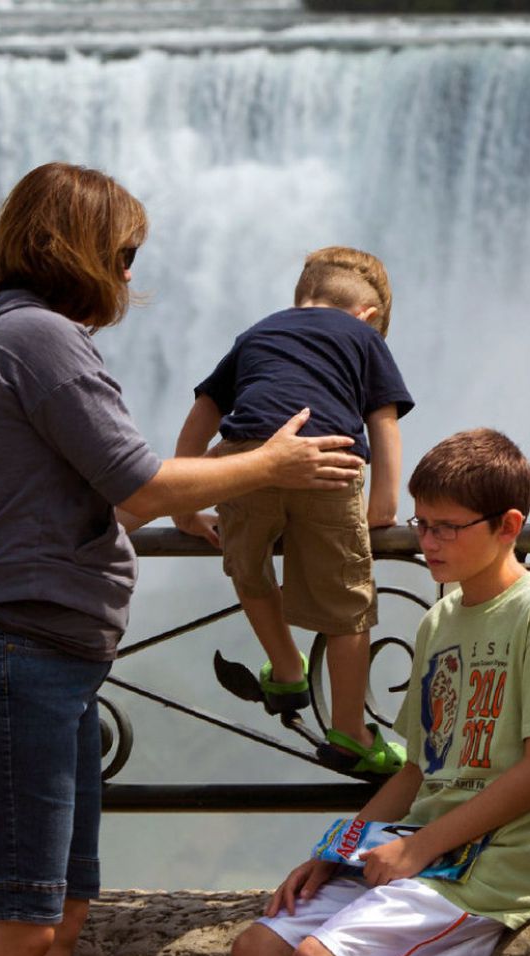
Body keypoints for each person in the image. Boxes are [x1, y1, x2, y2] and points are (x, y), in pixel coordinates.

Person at [0, 162, 363, 956]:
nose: (132, 275)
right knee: (16, 925)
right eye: (126, 253)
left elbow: (96, 495)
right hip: (14, 652)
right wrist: (271, 465)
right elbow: (138, 482)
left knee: (59, 920)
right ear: (82, 249)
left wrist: (180, 498)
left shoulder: (3, 342)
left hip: (38, 654)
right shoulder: (39, 339)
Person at [230, 428, 530, 956]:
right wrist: (340, 849)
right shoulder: (440, 620)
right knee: (256, 949)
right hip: (423, 852)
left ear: (508, 526)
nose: (426, 542)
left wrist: (419, 847)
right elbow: (415, 769)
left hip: (496, 866)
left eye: (446, 528)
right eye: (420, 524)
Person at [173, 246, 413, 777]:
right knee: (347, 602)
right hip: (327, 461)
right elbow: (384, 421)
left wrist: (186, 502)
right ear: (368, 315)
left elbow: (205, 411)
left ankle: (285, 669)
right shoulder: (364, 337)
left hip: (248, 460)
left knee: (248, 567)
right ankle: (351, 734)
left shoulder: (258, 333)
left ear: (300, 298)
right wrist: (384, 506)